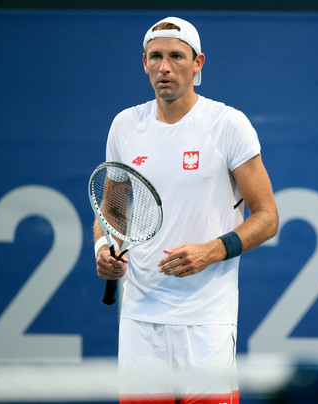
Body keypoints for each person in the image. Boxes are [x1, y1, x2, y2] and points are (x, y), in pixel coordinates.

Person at [93, 16, 279, 404]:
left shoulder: (228, 125)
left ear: (198, 64)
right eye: (155, 57)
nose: (165, 67)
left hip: (207, 319)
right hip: (140, 318)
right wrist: (103, 250)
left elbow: (267, 217)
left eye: (177, 56)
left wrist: (212, 251)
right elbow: (110, 212)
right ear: (143, 63)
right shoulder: (125, 126)